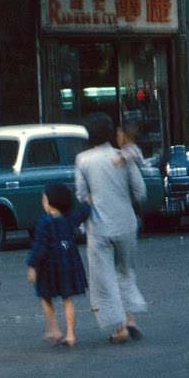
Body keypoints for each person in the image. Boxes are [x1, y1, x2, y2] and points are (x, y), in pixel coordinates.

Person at [74, 112, 148, 343]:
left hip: (99, 227)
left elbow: (81, 194)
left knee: (103, 278)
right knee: (125, 272)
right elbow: (140, 193)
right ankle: (131, 318)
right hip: (126, 223)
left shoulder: (83, 159)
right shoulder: (123, 156)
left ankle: (119, 329)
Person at [26, 182, 90, 347]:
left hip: (49, 267)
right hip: (68, 262)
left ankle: (54, 329)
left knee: (46, 297)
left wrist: (32, 266)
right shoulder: (68, 219)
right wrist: (87, 204)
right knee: (67, 299)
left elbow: (39, 247)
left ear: (49, 202)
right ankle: (71, 334)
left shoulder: (44, 223)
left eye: (44, 199)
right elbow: (81, 214)